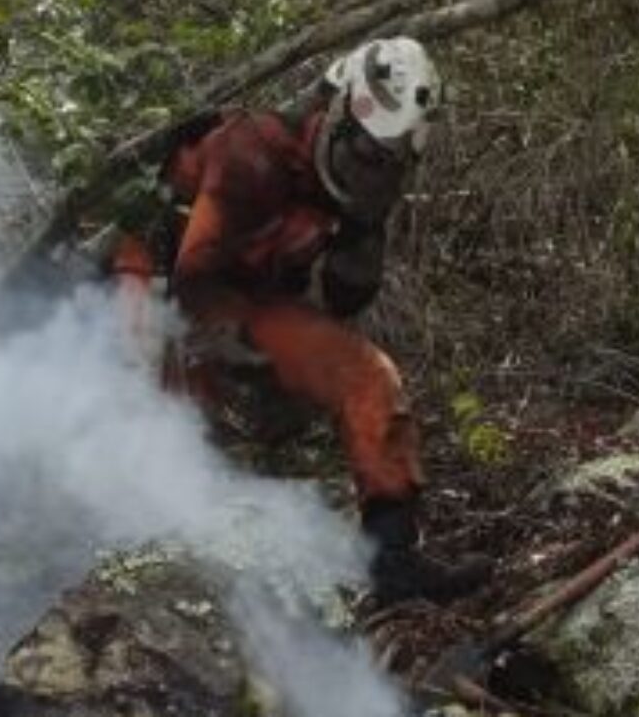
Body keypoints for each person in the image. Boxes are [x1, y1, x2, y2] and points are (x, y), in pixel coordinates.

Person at [111, 36, 488, 604]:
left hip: (246, 299)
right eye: (365, 157)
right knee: (147, 416)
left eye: (386, 166)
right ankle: (110, 553)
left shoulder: (355, 190)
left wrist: (364, 227)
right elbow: (195, 281)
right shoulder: (253, 151)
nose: (370, 175)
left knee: (366, 377)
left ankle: (393, 562)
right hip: (160, 276)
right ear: (335, 116)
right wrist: (252, 359)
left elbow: (346, 294)